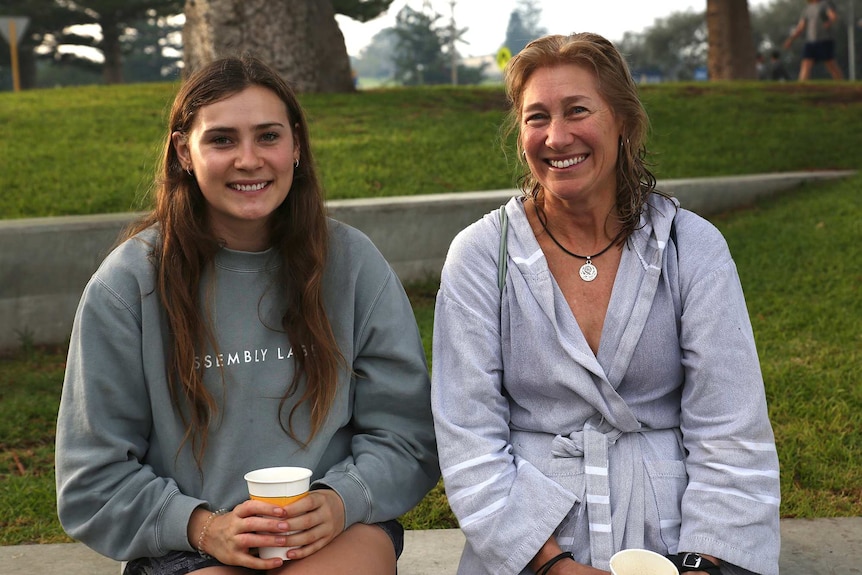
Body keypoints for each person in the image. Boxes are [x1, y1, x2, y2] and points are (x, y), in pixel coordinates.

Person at [55, 54, 439, 575]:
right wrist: (204, 528)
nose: (249, 159)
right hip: (186, 544)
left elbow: (407, 435)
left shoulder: (352, 265)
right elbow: (90, 479)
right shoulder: (127, 285)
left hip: (332, 529)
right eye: (222, 140)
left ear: (296, 146)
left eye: (268, 136)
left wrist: (341, 499)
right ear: (183, 152)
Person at [431, 33, 780, 575]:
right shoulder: (481, 257)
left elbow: (731, 429)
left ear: (623, 120)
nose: (556, 136)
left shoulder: (692, 246)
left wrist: (704, 563)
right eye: (536, 117)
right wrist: (553, 567)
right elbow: (468, 439)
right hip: (525, 548)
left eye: (577, 111)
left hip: (675, 538)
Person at [783, 0, 844, 80]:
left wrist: (828, 22)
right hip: (811, 41)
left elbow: (833, 16)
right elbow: (801, 27)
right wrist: (791, 39)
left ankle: (841, 85)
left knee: (830, 64)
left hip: (825, 40)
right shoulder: (807, 9)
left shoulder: (825, 4)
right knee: (805, 64)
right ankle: (802, 88)